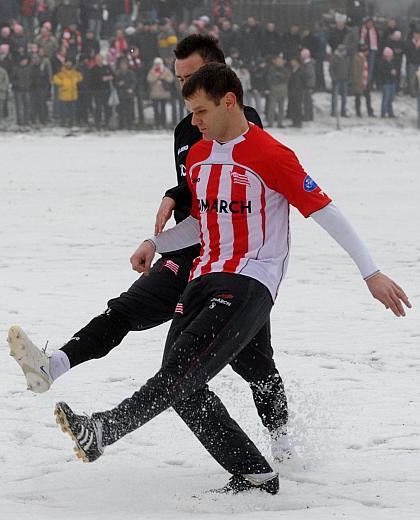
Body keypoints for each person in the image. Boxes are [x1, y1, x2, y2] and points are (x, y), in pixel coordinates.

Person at [53, 62, 410, 495]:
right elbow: (203, 224)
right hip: (201, 278)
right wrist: (156, 243)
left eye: (200, 112)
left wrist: (370, 273)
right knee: (182, 383)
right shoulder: (201, 156)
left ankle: (106, 429)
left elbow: (327, 212)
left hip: (249, 281)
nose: (194, 122)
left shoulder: (272, 155)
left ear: (229, 102)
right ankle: (256, 473)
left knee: (180, 371)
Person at [8, 35, 295, 469]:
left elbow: (236, 172)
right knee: (128, 311)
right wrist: (170, 205)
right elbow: (197, 183)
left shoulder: (242, 120)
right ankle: (54, 365)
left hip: (234, 261)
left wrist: (174, 194)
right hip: (189, 252)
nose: (186, 92)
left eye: (193, 79)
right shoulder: (187, 127)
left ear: (219, 82)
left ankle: (281, 445)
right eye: (180, 79)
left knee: (255, 365)